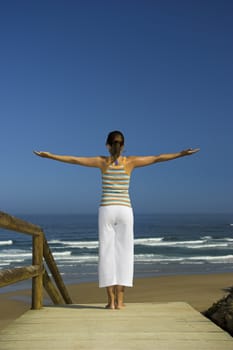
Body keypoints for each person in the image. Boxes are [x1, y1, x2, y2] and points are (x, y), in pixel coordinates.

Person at [34, 130, 200, 309]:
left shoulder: (101, 162)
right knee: (124, 254)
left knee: (106, 254)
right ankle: (120, 302)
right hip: (124, 210)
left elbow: (74, 159)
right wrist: (181, 154)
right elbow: (158, 157)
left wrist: (50, 156)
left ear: (107, 145)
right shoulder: (131, 162)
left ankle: (110, 302)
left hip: (106, 210)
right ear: (123, 146)